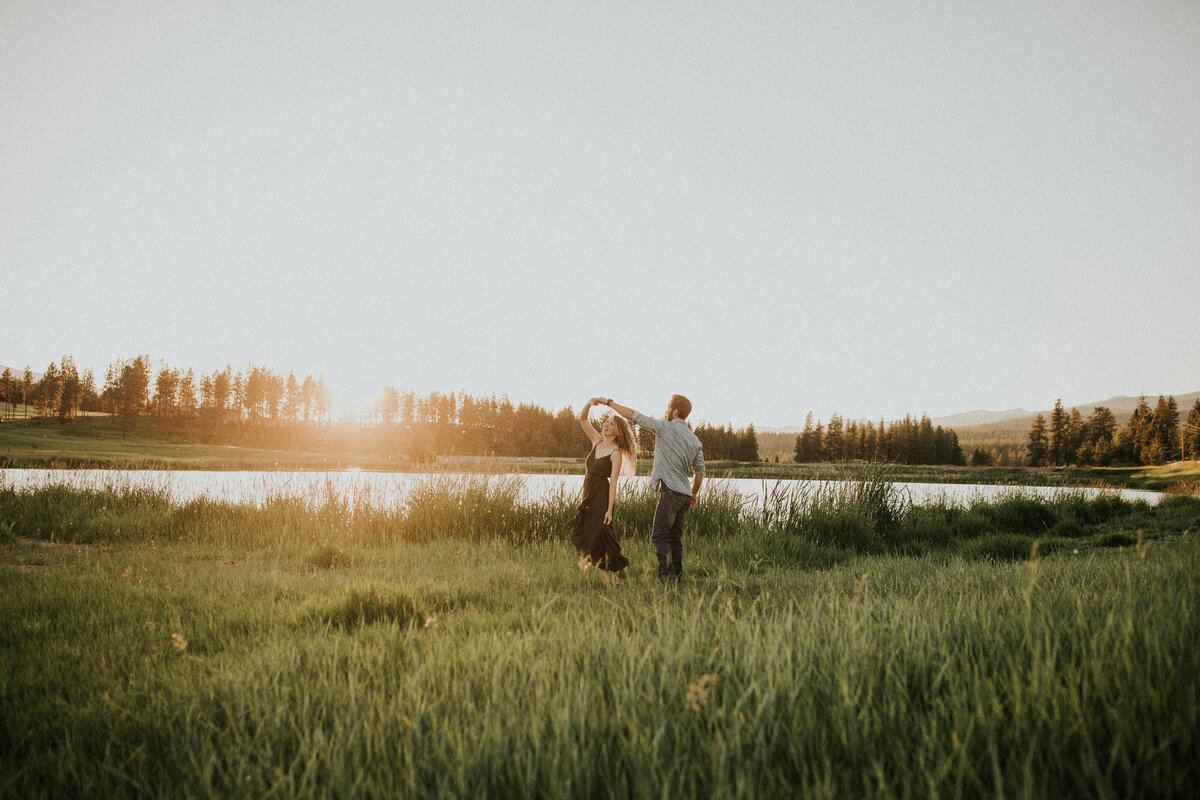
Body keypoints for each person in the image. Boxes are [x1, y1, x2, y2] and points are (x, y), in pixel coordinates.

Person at [592, 395, 704, 584]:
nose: (666, 411)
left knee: (659, 537)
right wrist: (693, 493)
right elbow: (700, 471)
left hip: (671, 493)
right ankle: (677, 578)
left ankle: (667, 580)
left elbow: (634, 416)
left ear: (675, 412)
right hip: (684, 495)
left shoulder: (664, 427)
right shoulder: (694, 439)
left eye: (668, 408)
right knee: (675, 539)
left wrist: (609, 403)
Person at [567, 398, 637, 585]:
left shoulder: (616, 453)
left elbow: (613, 482)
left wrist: (609, 510)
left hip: (602, 497)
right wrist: (589, 404)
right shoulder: (596, 441)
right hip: (588, 493)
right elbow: (583, 419)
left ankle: (623, 567)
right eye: (606, 422)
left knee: (603, 535)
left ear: (618, 430)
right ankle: (606, 584)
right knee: (591, 536)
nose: (606, 425)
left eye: (611, 424)